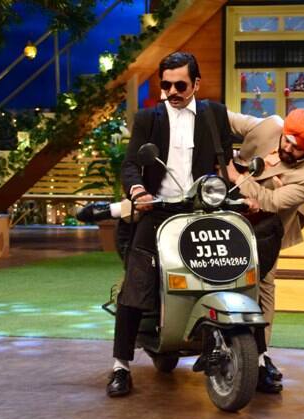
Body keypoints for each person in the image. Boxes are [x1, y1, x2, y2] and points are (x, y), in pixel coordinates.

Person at [106, 51, 232, 397]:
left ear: (196, 84)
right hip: (157, 211)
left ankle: (257, 359)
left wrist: (245, 189)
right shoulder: (149, 118)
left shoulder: (214, 114)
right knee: (136, 283)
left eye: (180, 85)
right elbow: (130, 165)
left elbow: (226, 162)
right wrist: (137, 190)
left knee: (230, 274)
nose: (172, 92)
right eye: (166, 85)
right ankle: (120, 366)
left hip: (202, 212)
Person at [227, 108, 304, 393]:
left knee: (263, 284)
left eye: (297, 149)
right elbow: (224, 117)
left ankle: (259, 356)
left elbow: (271, 201)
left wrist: (236, 176)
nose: (288, 149)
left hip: (267, 226)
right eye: (287, 141)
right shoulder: (270, 126)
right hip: (223, 202)